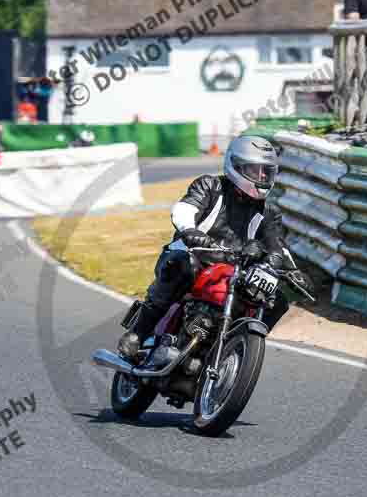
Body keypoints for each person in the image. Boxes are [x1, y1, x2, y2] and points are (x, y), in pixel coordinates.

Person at [118, 135, 313, 360]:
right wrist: (192, 232)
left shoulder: (269, 212)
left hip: (234, 270)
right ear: (236, 166)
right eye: (254, 170)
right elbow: (184, 210)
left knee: (276, 298)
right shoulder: (210, 186)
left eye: (266, 172)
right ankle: (138, 333)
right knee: (183, 265)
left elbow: (277, 246)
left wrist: (293, 271)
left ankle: (234, 348)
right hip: (195, 254)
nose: (261, 177)